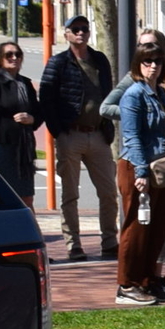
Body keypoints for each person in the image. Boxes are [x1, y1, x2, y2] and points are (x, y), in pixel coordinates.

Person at [38, 15, 119, 262]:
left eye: (84, 29)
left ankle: (109, 242)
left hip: (98, 135)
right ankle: (74, 244)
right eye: (76, 29)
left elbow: (109, 92)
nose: (81, 33)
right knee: (70, 195)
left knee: (108, 192)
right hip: (70, 136)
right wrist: (58, 132)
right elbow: (46, 97)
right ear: (67, 34)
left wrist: (107, 126)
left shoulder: (100, 60)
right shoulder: (58, 63)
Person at [114, 43, 165, 304]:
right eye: (147, 61)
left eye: (158, 61)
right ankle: (127, 285)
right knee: (136, 227)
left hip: (163, 169)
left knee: (156, 227)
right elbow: (132, 136)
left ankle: (147, 280)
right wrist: (141, 171)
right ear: (138, 65)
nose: (153, 66)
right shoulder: (134, 95)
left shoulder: (162, 93)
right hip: (139, 167)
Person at [0, 42, 41, 204]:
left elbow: (39, 111)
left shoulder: (25, 84)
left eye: (18, 54)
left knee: (26, 197)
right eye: (9, 55)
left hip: (24, 148)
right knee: (3, 196)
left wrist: (32, 119)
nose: (14, 58)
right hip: (1, 148)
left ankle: (27, 229)